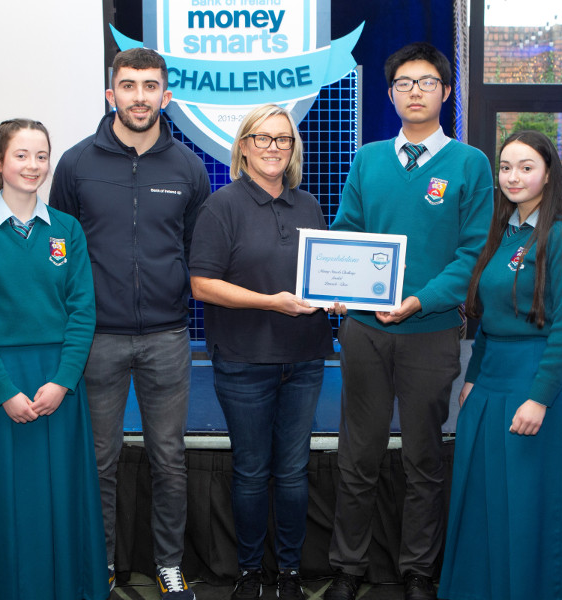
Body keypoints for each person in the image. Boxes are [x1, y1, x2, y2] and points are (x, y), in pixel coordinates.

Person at [324, 42, 493, 600]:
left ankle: (420, 571)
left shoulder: (470, 164)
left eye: (426, 82)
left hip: (431, 332)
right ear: (391, 93)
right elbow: (346, 231)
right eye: (404, 83)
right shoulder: (369, 157)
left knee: (424, 457)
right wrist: (336, 285)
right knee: (357, 455)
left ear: (446, 93)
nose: (415, 91)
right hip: (365, 334)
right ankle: (348, 569)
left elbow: (472, 256)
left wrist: (420, 301)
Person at [49, 47, 210, 600]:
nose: (139, 96)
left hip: (167, 337)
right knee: (99, 460)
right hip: (97, 338)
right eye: (128, 85)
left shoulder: (189, 168)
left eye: (150, 86)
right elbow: (61, 250)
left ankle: (169, 565)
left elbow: (195, 250)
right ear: (111, 93)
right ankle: (103, 567)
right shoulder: (74, 164)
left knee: (170, 458)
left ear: (166, 97)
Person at [438, 130, 562, 600]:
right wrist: (473, 379)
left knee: (535, 508)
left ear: (548, 174)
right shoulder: (505, 230)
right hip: (491, 386)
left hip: (540, 387)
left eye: (526, 167)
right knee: (486, 505)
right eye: (506, 167)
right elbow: (491, 319)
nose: (513, 177)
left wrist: (539, 398)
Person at [0, 119, 108, 599]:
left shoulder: (67, 229)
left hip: (59, 382)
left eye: (41, 156)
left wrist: (63, 381)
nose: (33, 165)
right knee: (6, 500)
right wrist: (3, 392)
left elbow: (83, 312)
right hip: (4, 383)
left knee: (62, 497)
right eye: (21, 155)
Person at [189, 104, 335, 600]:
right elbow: (203, 285)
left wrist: (341, 295)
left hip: (305, 359)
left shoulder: (309, 206)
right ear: (244, 146)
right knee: (252, 472)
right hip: (244, 360)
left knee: (293, 472)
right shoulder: (221, 206)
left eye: (283, 139)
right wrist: (269, 303)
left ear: (293, 149)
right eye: (263, 138)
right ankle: (251, 572)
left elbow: (325, 275)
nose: (274, 147)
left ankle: (289, 573)